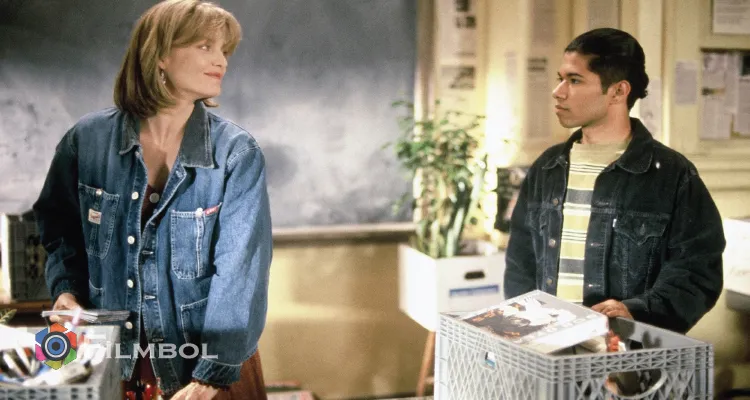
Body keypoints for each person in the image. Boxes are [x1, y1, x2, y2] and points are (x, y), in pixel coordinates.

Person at [32, 1, 272, 398]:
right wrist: (66, 291)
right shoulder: (86, 141)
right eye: (205, 46)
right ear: (160, 55)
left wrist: (211, 376)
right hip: (109, 359)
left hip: (207, 366)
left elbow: (240, 272)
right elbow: (60, 231)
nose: (221, 61)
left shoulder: (236, 152)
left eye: (224, 50)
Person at [503, 28, 725, 334]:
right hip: (546, 348)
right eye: (560, 78)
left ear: (618, 91)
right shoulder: (546, 168)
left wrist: (636, 311)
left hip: (625, 352)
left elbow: (697, 271)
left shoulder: (672, 174)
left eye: (574, 80)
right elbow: (520, 265)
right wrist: (525, 329)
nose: (558, 91)